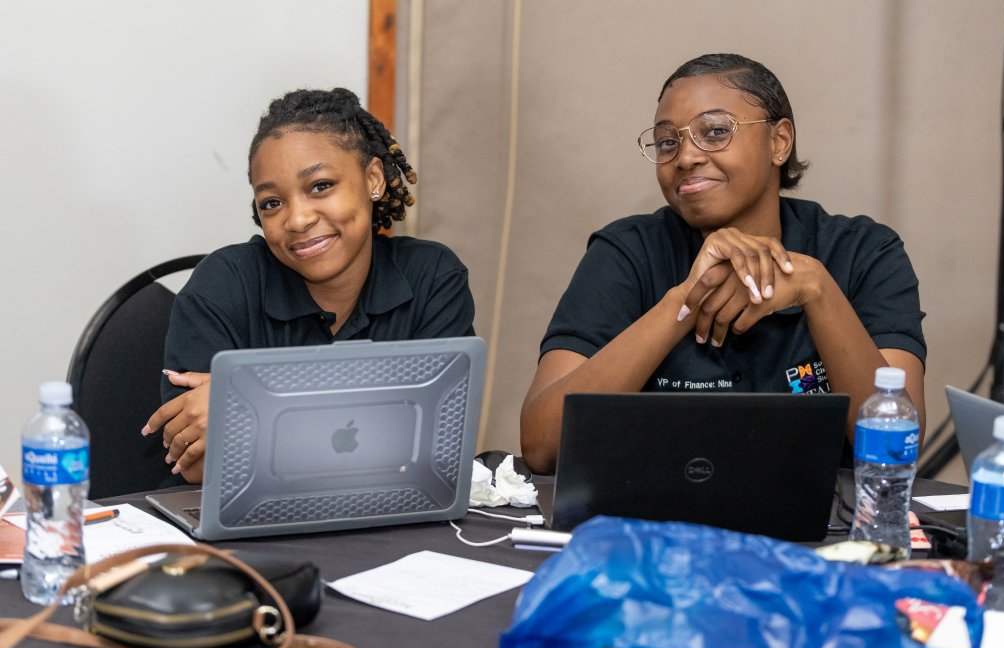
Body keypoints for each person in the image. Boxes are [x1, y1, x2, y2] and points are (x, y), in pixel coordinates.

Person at [520, 53, 926, 475]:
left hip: (821, 516)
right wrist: (684, 301)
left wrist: (817, 290)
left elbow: (899, 450)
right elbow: (542, 446)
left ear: (779, 142)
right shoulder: (626, 252)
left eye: (715, 132)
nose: (685, 157)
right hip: (657, 510)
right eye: (667, 142)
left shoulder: (864, 253)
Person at [143, 88, 475, 483]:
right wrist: (381, 414)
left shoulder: (432, 277)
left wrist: (246, 404)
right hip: (242, 517)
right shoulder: (223, 284)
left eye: (320, 186)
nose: (298, 219)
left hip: (389, 511)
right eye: (272, 203)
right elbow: (198, 464)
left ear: (373, 179)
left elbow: (441, 443)